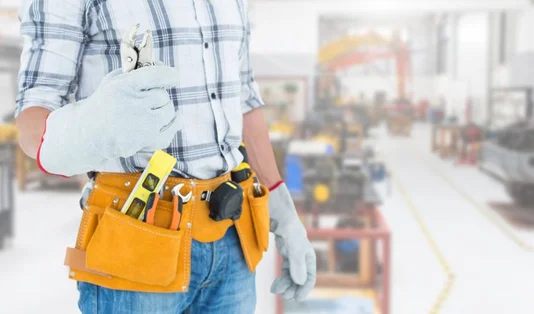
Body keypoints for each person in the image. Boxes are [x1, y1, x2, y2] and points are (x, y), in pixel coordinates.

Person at [14, 1, 316, 313]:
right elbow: (32, 120)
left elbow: (244, 97)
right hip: (137, 239)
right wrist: (94, 128)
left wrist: (283, 210)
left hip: (231, 241)